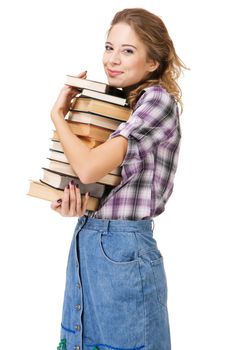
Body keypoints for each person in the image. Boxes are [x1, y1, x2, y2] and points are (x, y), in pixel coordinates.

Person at [51, 7, 186, 350]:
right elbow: (91, 179)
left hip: (124, 250)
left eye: (128, 51)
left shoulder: (157, 101)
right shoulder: (117, 104)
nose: (113, 59)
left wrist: (57, 116)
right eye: (109, 47)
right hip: (88, 241)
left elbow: (89, 168)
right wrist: (74, 204)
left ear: (153, 62)